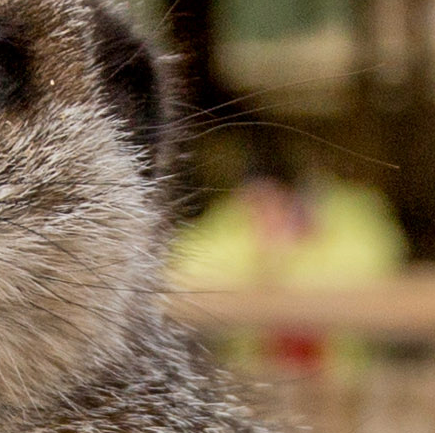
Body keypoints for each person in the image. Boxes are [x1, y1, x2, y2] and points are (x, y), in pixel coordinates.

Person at [167, 139, 408, 373]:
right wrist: (268, 254)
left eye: (280, 204)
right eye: (257, 202)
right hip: (255, 377)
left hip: (342, 376)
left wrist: (281, 259)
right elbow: (189, 265)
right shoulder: (235, 217)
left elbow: (373, 261)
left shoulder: (351, 209)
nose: (268, 213)